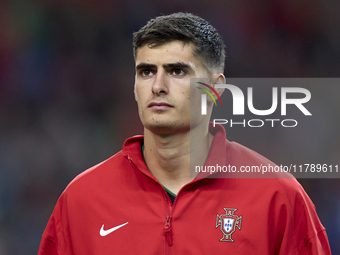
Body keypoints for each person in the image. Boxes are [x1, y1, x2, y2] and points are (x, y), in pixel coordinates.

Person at [38, 12, 331, 254]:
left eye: (177, 71)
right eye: (146, 71)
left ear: (216, 89)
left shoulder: (278, 197)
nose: (158, 85)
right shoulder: (81, 200)